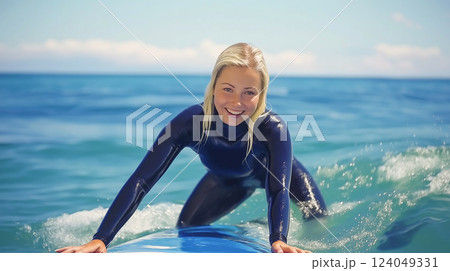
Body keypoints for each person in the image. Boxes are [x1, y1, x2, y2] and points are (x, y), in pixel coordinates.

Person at [56, 42, 327, 253]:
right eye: (228, 89)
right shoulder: (189, 123)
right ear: (213, 87)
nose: (237, 102)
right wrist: (100, 239)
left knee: (318, 220)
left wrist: (278, 239)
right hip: (226, 181)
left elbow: (277, 189)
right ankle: (251, 227)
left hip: (283, 179)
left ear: (261, 94)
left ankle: (266, 229)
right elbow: (141, 180)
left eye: (249, 92)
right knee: (185, 228)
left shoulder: (272, 128)